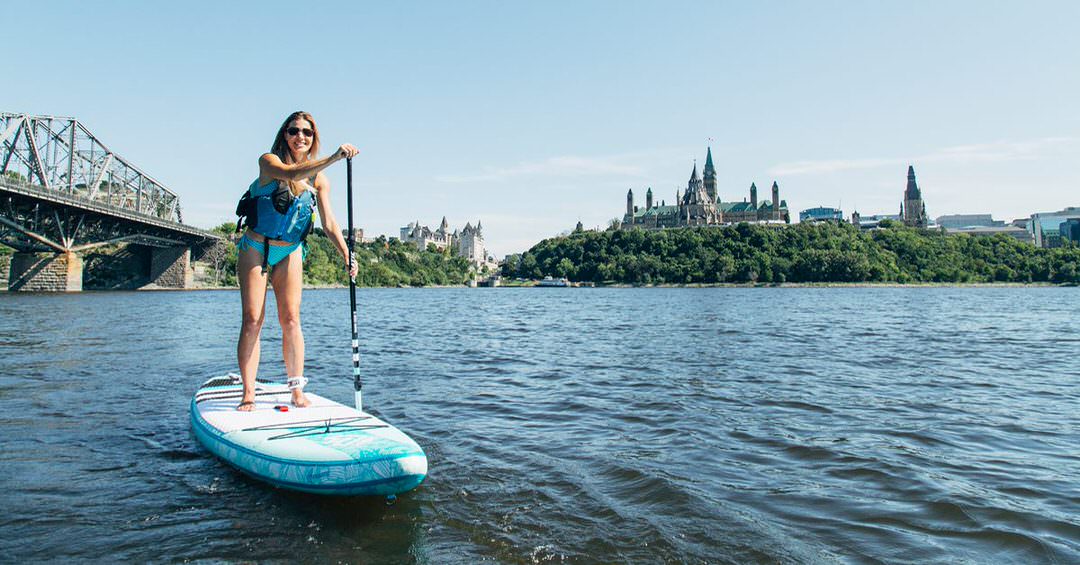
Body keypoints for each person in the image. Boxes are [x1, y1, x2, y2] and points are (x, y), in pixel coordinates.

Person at [235, 111, 359, 411]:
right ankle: (248, 393)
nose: (300, 137)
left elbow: (329, 223)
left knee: (291, 319)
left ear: (313, 137)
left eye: (307, 132)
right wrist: (334, 157)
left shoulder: (320, 180)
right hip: (257, 247)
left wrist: (347, 254)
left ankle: (296, 390)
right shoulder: (268, 161)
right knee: (253, 320)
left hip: (291, 250)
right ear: (284, 134)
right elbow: (291, 176)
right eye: (294, 131)